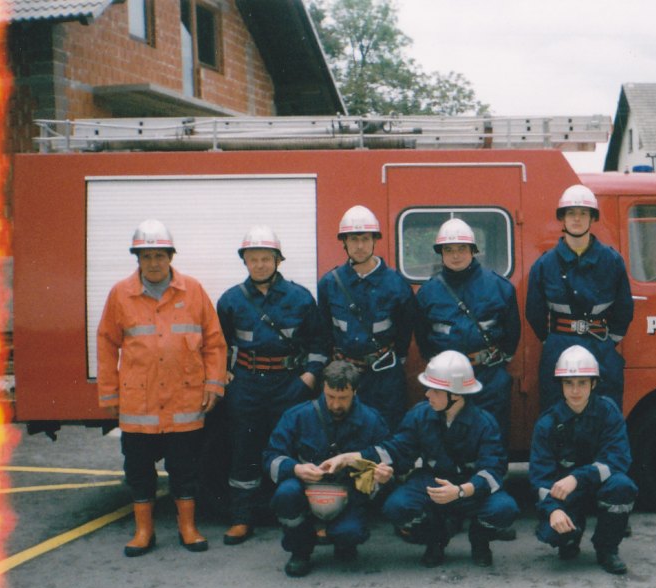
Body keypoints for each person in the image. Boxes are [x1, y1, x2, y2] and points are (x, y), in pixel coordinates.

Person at [96, 218, 226, 557]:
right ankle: (144, 531)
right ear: (136, 259)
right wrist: (109, 393)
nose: (153, 263)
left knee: (186, 469)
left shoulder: (193, 291)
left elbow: (214, 342)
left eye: (159, 255)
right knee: (139, 471)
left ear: (171, 257)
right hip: (139, 403)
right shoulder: (120, 295)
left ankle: (188, 527)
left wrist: (214, 384)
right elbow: (107, 344)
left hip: (185, 401)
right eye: (146, 256)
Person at [328, 351, 518, 568]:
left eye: (435, 390)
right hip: (433, 481)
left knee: (504, 508)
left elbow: (493, 472)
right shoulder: (420, 415)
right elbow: (397, 450)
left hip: (470, 486)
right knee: (396, 506)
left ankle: (480, 539)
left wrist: (461, 491)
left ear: (455, 395)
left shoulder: (485, 423)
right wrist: (350, 458)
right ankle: (436, 539)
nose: (427, 394)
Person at [216, 225, 328, 546]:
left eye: (267, 258)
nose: (260, 265)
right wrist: (224, 372)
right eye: (254, 259)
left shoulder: (300, 298)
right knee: (244, 450)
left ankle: (298, 515)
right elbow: (217, 343)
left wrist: (308, 377)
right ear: (245, 262)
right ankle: (242, 518)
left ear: (278, 260)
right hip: (247, 385)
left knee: (295, 448)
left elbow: (320, 342)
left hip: (289, 383)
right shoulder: (231, 300)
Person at [262, 361, 392, 577]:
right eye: (330, 396)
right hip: (304, 487)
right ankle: (300, 549)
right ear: (323, 388)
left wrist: (382, 475)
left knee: (350, 533)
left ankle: (343, 540)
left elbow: (387, 456)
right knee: (286, 494)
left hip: (348, 491)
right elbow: (270, 457)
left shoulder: (371, 420)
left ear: (355, 391)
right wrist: (295, 469)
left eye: (343, 398)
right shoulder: (298, 416)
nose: (335, 405)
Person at [528, 345, 637, 575]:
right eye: (569, 383)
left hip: (599, 486)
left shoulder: (608, 412)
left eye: (582, 383)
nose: (575, 390)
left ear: (594, 384)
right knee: (553, 532)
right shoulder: (547, 423)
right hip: (566, 495)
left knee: (622, 486)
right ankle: (570, 537)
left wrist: (578, 477)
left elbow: (618, 459)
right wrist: (553, 510)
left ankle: (607, 548)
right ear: (560, 385)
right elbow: (540, 478)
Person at [526, 184, 634, 411]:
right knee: (557, 412)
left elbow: (624, 310)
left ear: (592, 218)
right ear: (562, 219)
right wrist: (552, 339)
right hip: (558, 346)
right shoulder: (545, 265)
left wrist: (608, 341)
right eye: (571, 213)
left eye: (583, 213)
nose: (577, 219)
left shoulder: (612, 262)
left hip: (600, 347)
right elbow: (534, 312)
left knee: (604, 413)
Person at [415, 217, 520, 443]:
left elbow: (512, 334)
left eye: (462, 248)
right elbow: (422, 337)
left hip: (488, 374)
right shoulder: (428, 293)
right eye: (449, 249)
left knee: (493, 434)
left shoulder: (499, 287)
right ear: (440, 252)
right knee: (448, 436)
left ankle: (490, 478)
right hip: (444, 381)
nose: (455, 255)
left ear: (473, 250)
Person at [317, 205, 417, 430]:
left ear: (375, 240)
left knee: (387, 429)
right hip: (344, 374)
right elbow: (324, 331)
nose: (360, 246)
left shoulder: (396, 284)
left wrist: (395, 359)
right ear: (344, 242)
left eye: (365, 238)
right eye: (353, 239)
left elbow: (406, 329)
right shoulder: (329, 284)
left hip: (384, 375)